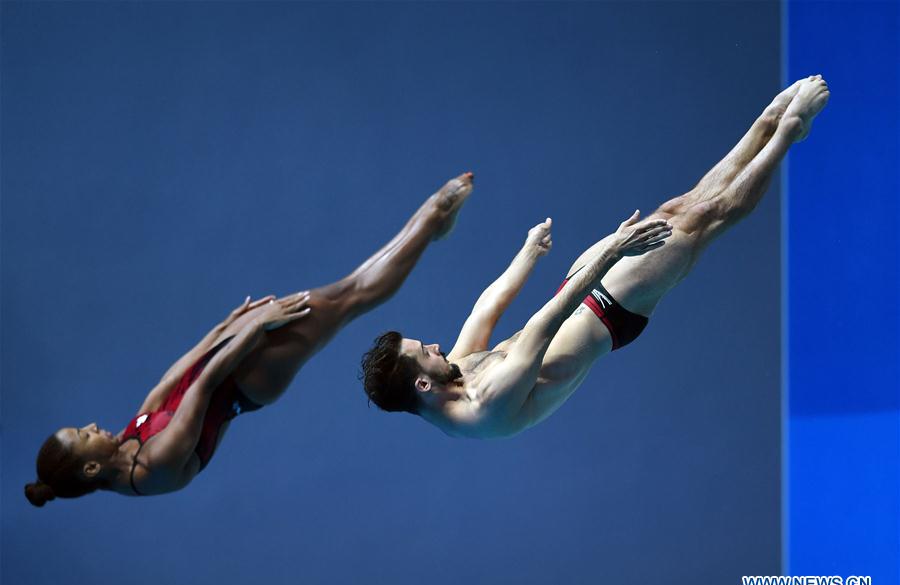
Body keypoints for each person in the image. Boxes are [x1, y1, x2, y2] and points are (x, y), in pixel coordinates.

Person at [362, 76, 829, 438]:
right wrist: (611, 253)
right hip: (608, 309)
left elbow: (487, 307)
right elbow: (542, 329)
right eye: (425, 352)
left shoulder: (452, 375)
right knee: (709, 218)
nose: (437, 347)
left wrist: (528, 255)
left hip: (581, 290)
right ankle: (790, 130)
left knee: (675, 210)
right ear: (422, 384)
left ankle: (766, 122)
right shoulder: (487, 406)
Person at [25, 172, 475, 505]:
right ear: (90, 467)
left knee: (346, 292)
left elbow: (167, 387)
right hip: (249, 380)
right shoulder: (150, 470)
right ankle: (431, 220)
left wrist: (224, 326)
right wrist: (255, 328)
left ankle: (429, 226)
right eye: (84, 435)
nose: (91, 426)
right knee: (349, 298)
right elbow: (201, 390)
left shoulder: (124, 445)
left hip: (230, 357)